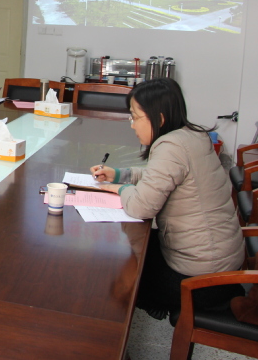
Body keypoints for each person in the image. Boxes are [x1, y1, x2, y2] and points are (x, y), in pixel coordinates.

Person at [90, 78, 245, 319]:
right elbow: (161, 177)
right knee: (133, 249)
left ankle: (144, 310)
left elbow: (140, 206)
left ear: (159, 119)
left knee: (113, 272)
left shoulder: (170, 147)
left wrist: (120, 189)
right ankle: (156, 304)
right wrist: (120, 174)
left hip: (202, 280)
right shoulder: (192, 136)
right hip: (220, 263)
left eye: (135, 117)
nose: (132, 124)